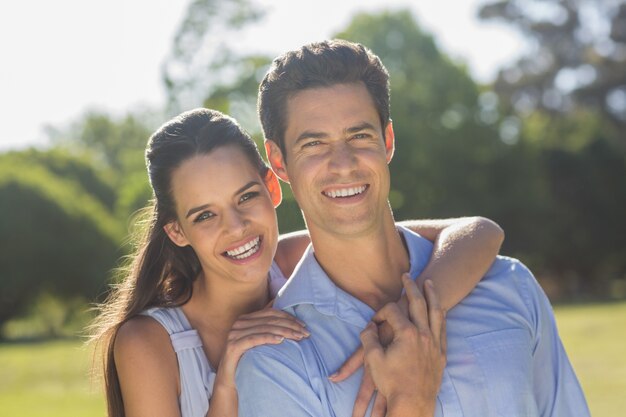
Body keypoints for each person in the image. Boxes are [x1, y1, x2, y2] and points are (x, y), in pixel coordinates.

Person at [234, 39, 591, 417]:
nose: (343, 163)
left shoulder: (507, 284)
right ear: (279, 162)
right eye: (314, 144)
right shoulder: (274, 361)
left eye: (359, 136)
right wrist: (411, 402)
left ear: (387, 141)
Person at [89, 108, 504, 417]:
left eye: (246, 196)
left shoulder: (291, 259)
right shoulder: (148, 342)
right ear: (177, 231)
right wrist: (229, 383)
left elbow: (480, 232)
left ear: (272, 186)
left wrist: (411, 316)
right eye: (205, 215)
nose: (237, 228)